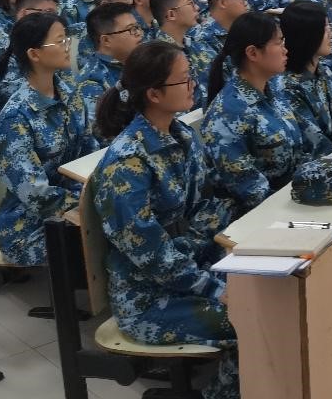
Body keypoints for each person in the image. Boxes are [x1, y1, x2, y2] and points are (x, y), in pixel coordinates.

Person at [90, 42, 239, 399]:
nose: (193, 85)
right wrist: (213, 288)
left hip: (191, 269)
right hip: (147, 299)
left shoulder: (181, 135)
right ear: (154, 94)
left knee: (275, 296)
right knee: (252, 320)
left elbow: (204, 208)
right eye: (184, 80)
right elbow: (153, 255)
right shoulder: (127, 163)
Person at [0, 13, 96, 265]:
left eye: (67, 39)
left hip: (74, 206)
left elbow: (90, 151)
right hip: (29, 228)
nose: (68, 47)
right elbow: (36, 193)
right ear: (34, 54)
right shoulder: (14, 119)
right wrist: (89, 205)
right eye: (60, 41)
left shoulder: (70, 95)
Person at [201, 12, 329, 213]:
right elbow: (252, 192)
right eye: (279, 43)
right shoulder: (227, 115)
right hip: (262, 216)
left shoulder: (275, 89)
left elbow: (312, 145)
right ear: (253, 53)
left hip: (296, 197)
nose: (286, 50)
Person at [279, 1, 332, 146]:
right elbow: (316, 145)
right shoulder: (289, 87)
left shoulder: (323, 71)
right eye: (324, 28)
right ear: (307, 35)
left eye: (329, 26)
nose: (331, 34)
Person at [149, 0, 213, 106]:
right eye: (190, 3)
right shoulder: (156, 58)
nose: (197, 8)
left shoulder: (197, 45)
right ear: (171, 14)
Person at [76, 2, 143, 120]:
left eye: (137, 27)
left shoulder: (141, 63)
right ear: (106, 40)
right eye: (131, 29)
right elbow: (101, 129)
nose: (139, 33)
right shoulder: (92, 81)